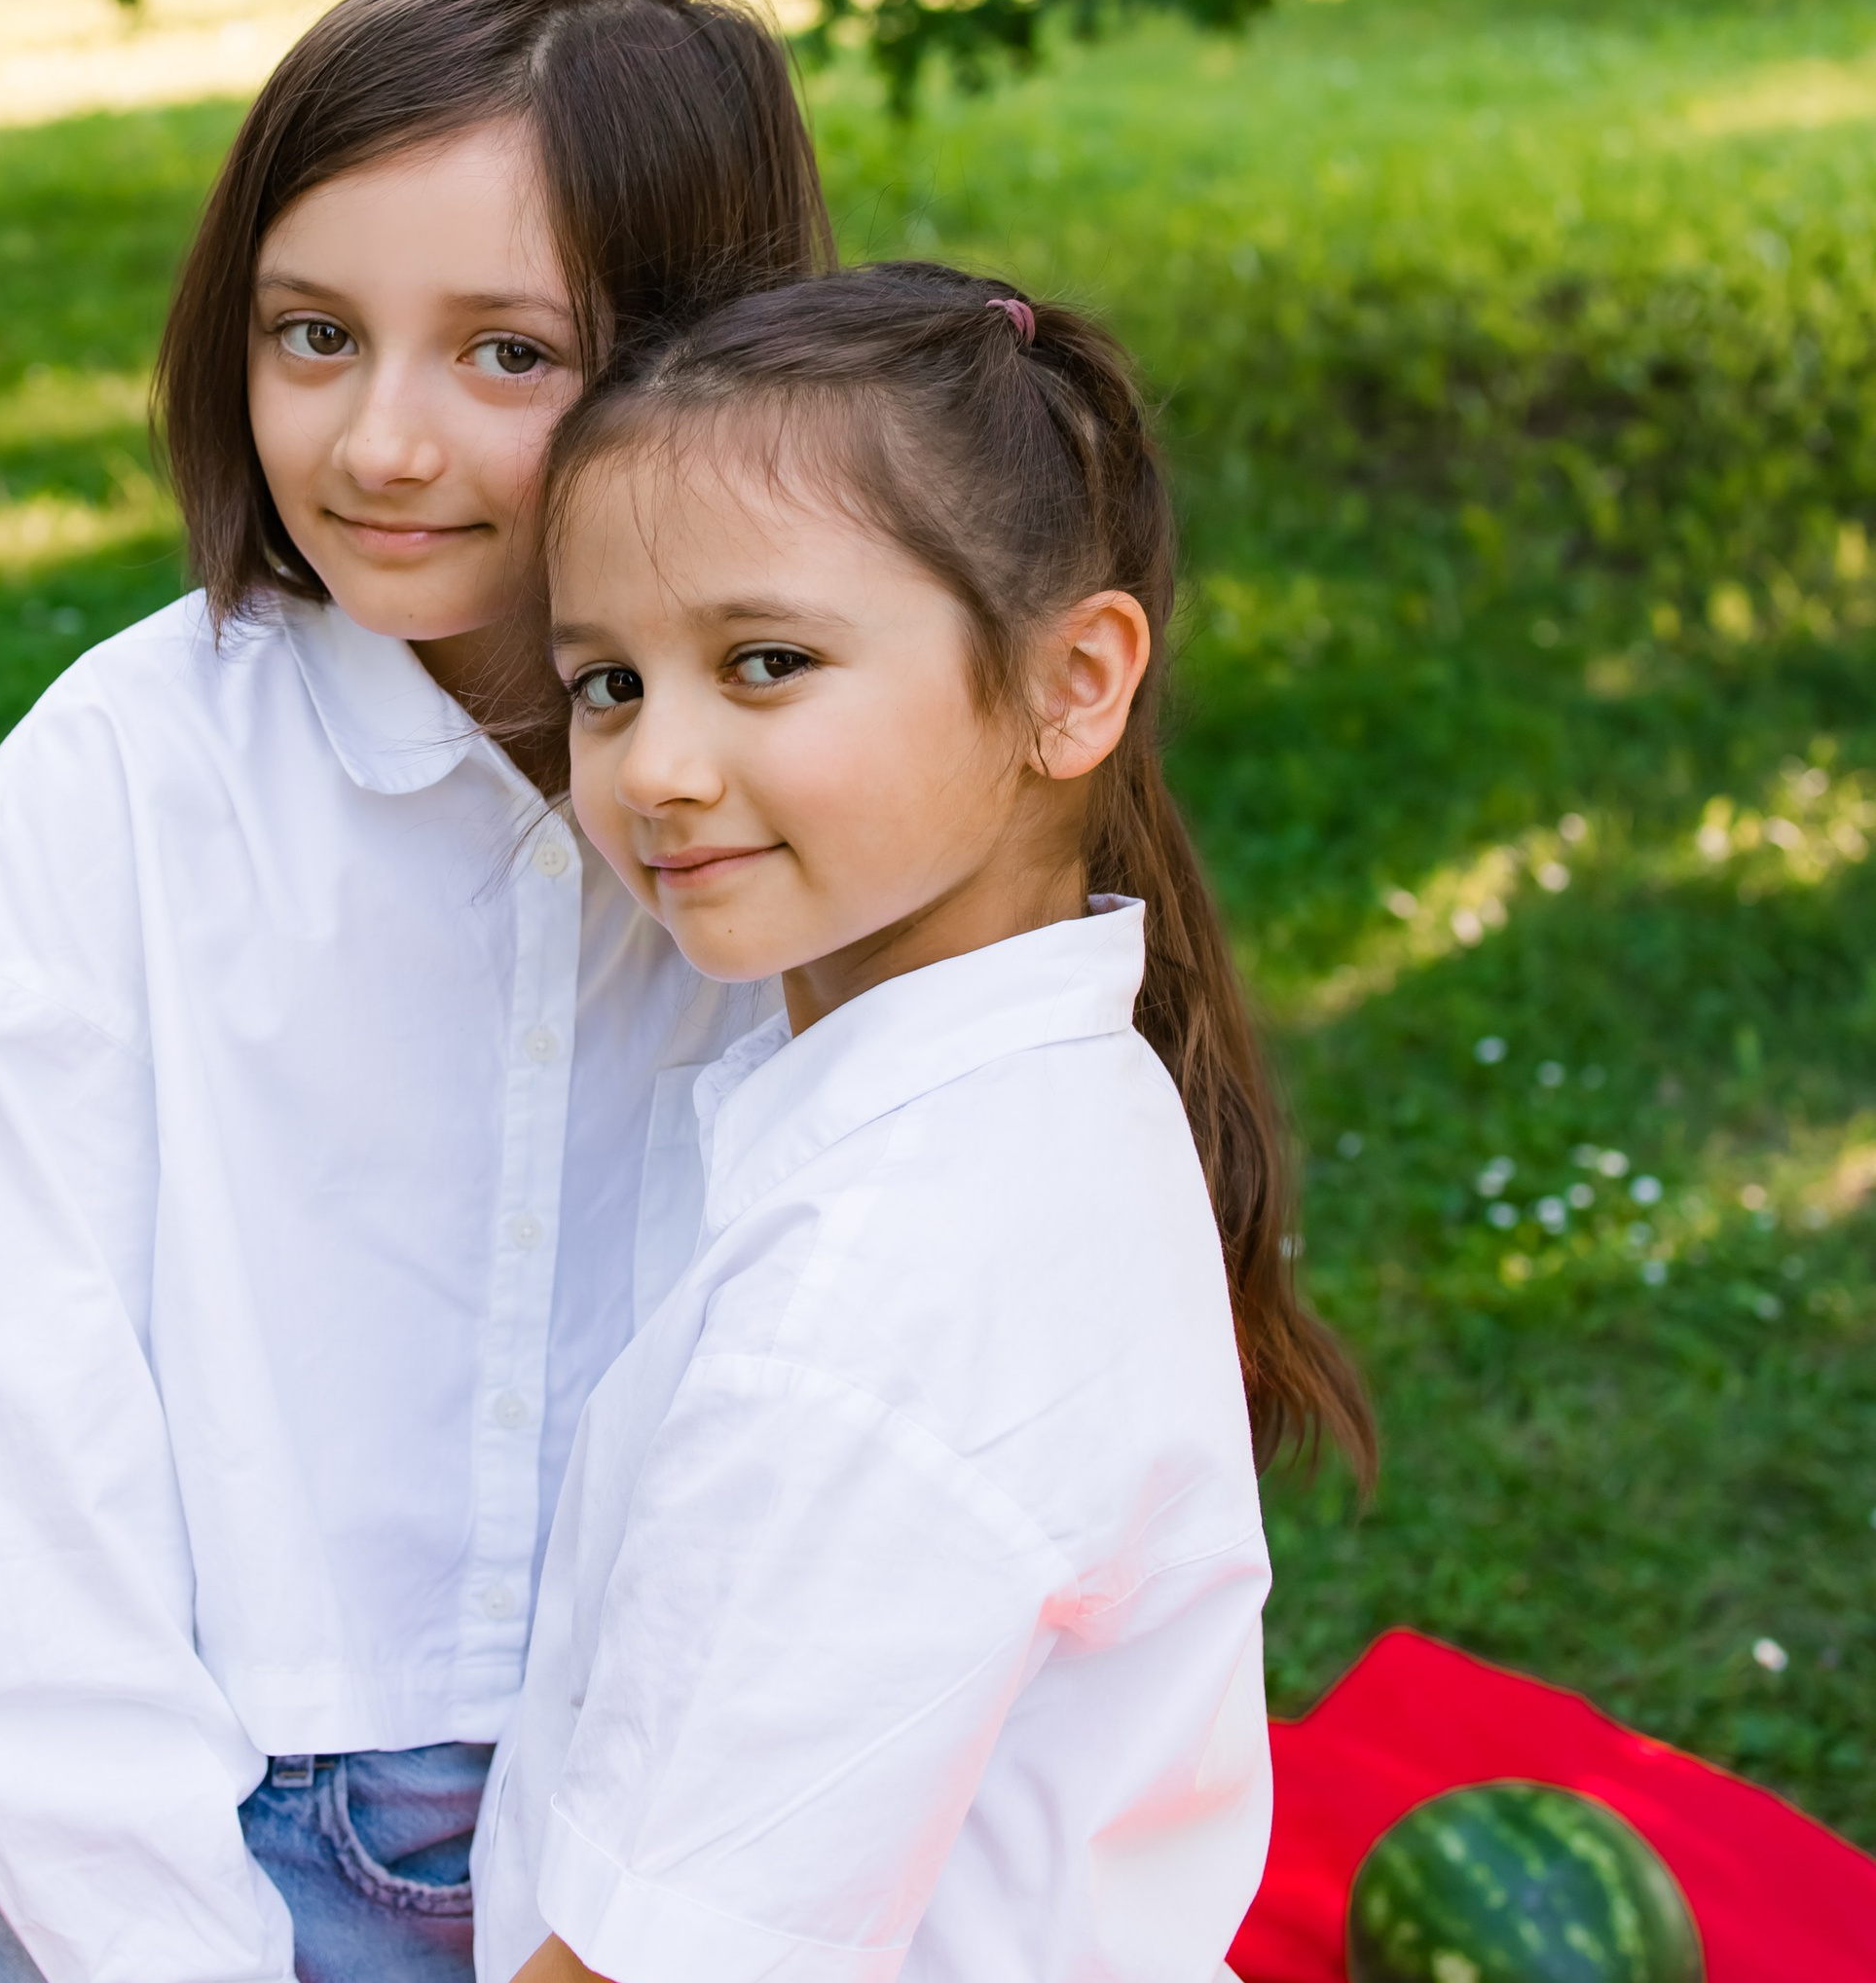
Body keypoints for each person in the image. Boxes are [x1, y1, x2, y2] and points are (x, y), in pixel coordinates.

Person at [0, 0, 834, 1983]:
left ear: (702, 357)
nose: (379, 443)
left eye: (504, 354)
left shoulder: (794, 812)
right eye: (312, 333)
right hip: (67, 1811)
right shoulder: (125, 779)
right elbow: (5, 1470)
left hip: (575, 1831)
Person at [477, 262, 1377, 1983]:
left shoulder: (879, 1300)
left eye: (764, 662)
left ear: (1070, 683)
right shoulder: (1024, 1116)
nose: (656, 765)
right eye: (606, 683)